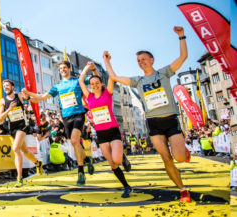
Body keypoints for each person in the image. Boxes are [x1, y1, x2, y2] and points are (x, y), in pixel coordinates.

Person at [102, 26, 192, 202]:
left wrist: (181, 36)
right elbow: (114, 76)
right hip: (153, 123)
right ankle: (183, 190)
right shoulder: (138, 81)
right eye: (138, 60)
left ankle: (183, 151)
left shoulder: (164, 72)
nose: (141, 62)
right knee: (166, 158)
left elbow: (183, 57)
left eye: (143, 59)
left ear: (152, 60)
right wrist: (107, 61)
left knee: (179, 157)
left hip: (170, 120)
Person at [22, 60, 97, 185]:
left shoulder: (78, 81)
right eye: (61, 68)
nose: (62, 70)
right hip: (66, 117)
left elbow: (95, 79)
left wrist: (93, 69)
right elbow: (43, 97)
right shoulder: (58, 86)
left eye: (64, 68)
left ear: (70, 69)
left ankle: (80, 172)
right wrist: (28, 95)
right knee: (74, 143)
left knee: (74, 140)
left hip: (78, 114)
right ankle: (87, 159)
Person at [79, 61, 132, 198]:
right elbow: (80, 81)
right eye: (92, 84)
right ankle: (126, 186)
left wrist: (105, 63)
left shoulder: (107, 93)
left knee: (117, 160)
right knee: (112, 164)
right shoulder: (88, 97)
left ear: (101, 84)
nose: (95, 85)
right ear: (90, 86)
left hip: (113, 130)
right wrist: (87, 68)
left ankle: (123, 158)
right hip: (101, 134)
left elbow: (111, 77)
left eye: (97, 83)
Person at [0, 79, 42, 187]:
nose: (6, 87)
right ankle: (38, 163)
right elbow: (0, 118)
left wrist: (27, 95)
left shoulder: (19, 96)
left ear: (12, 87)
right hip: (12, 128)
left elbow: (36, 101)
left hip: (22, 126)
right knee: (25, 151)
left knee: (15, 149)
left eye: (7, 85)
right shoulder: (2, 101)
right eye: (4, 86)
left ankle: (19, 178)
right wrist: (9, 109)